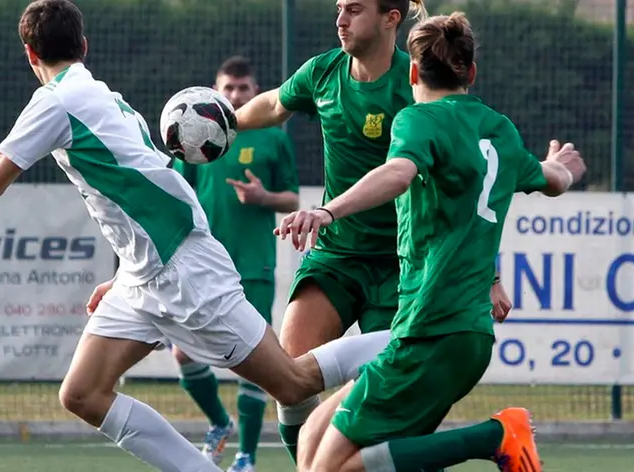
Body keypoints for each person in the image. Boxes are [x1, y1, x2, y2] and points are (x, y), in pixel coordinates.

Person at [0, 1, 396, 471]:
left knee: (295, 382)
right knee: (83, 393)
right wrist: (126, 272)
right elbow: (142, 187)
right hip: (145, 274)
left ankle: (416, 337)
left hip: (187, 273)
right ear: (84, 47)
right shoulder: (100, 93)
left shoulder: (57, 100)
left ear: (29, 53)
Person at [276, 12, 587, 472]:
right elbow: (553, 179)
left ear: (414, 71)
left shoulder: (417, 120)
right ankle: (495, 436)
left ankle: (496, 435)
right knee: (311, 446)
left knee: (327, 469)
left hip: (432, 331)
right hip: (444, 333)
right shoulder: (499, 129)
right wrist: (560, 165)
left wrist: (327, 210)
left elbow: (398, 173)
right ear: (472, 73)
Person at [231, 0, 514, 461]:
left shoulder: (418, 85)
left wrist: (491, 275)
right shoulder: (323, 72)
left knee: (391, 415)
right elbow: (274, 103)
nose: (340, 18)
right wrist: (227, 120)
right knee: (289, 378)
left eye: (354, 9)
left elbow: (471, 186)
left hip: (405, 272)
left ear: (391, 19)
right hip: (337, 257)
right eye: (339, 8)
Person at [171, 56, 300, 471]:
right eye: (228, 88)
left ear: (254, 91)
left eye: (243, 89)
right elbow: (176, 196)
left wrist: (264, 198)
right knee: (182, 356)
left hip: (254, 263)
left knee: (255, 362)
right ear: (215, 90)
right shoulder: (195, 136)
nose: (235, 95)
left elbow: (293, 199)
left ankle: (246, 457)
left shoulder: (272, 138)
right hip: (203, 265)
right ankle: (218, 423)